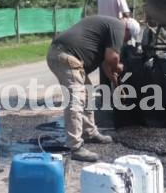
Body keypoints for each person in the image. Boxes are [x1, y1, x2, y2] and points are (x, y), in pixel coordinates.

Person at [46, 16, 138, 162]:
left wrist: (117, 85)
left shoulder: (108, 29)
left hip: (65, 55)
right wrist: (118, 66)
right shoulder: (119, 28)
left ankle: (89, 132)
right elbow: (112, 59)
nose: (124, 42)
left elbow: (107, 66)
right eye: (127, 39)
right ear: (128, 31)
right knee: (76, 100)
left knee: (88, 93)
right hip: (65, 55)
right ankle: (75, 147)